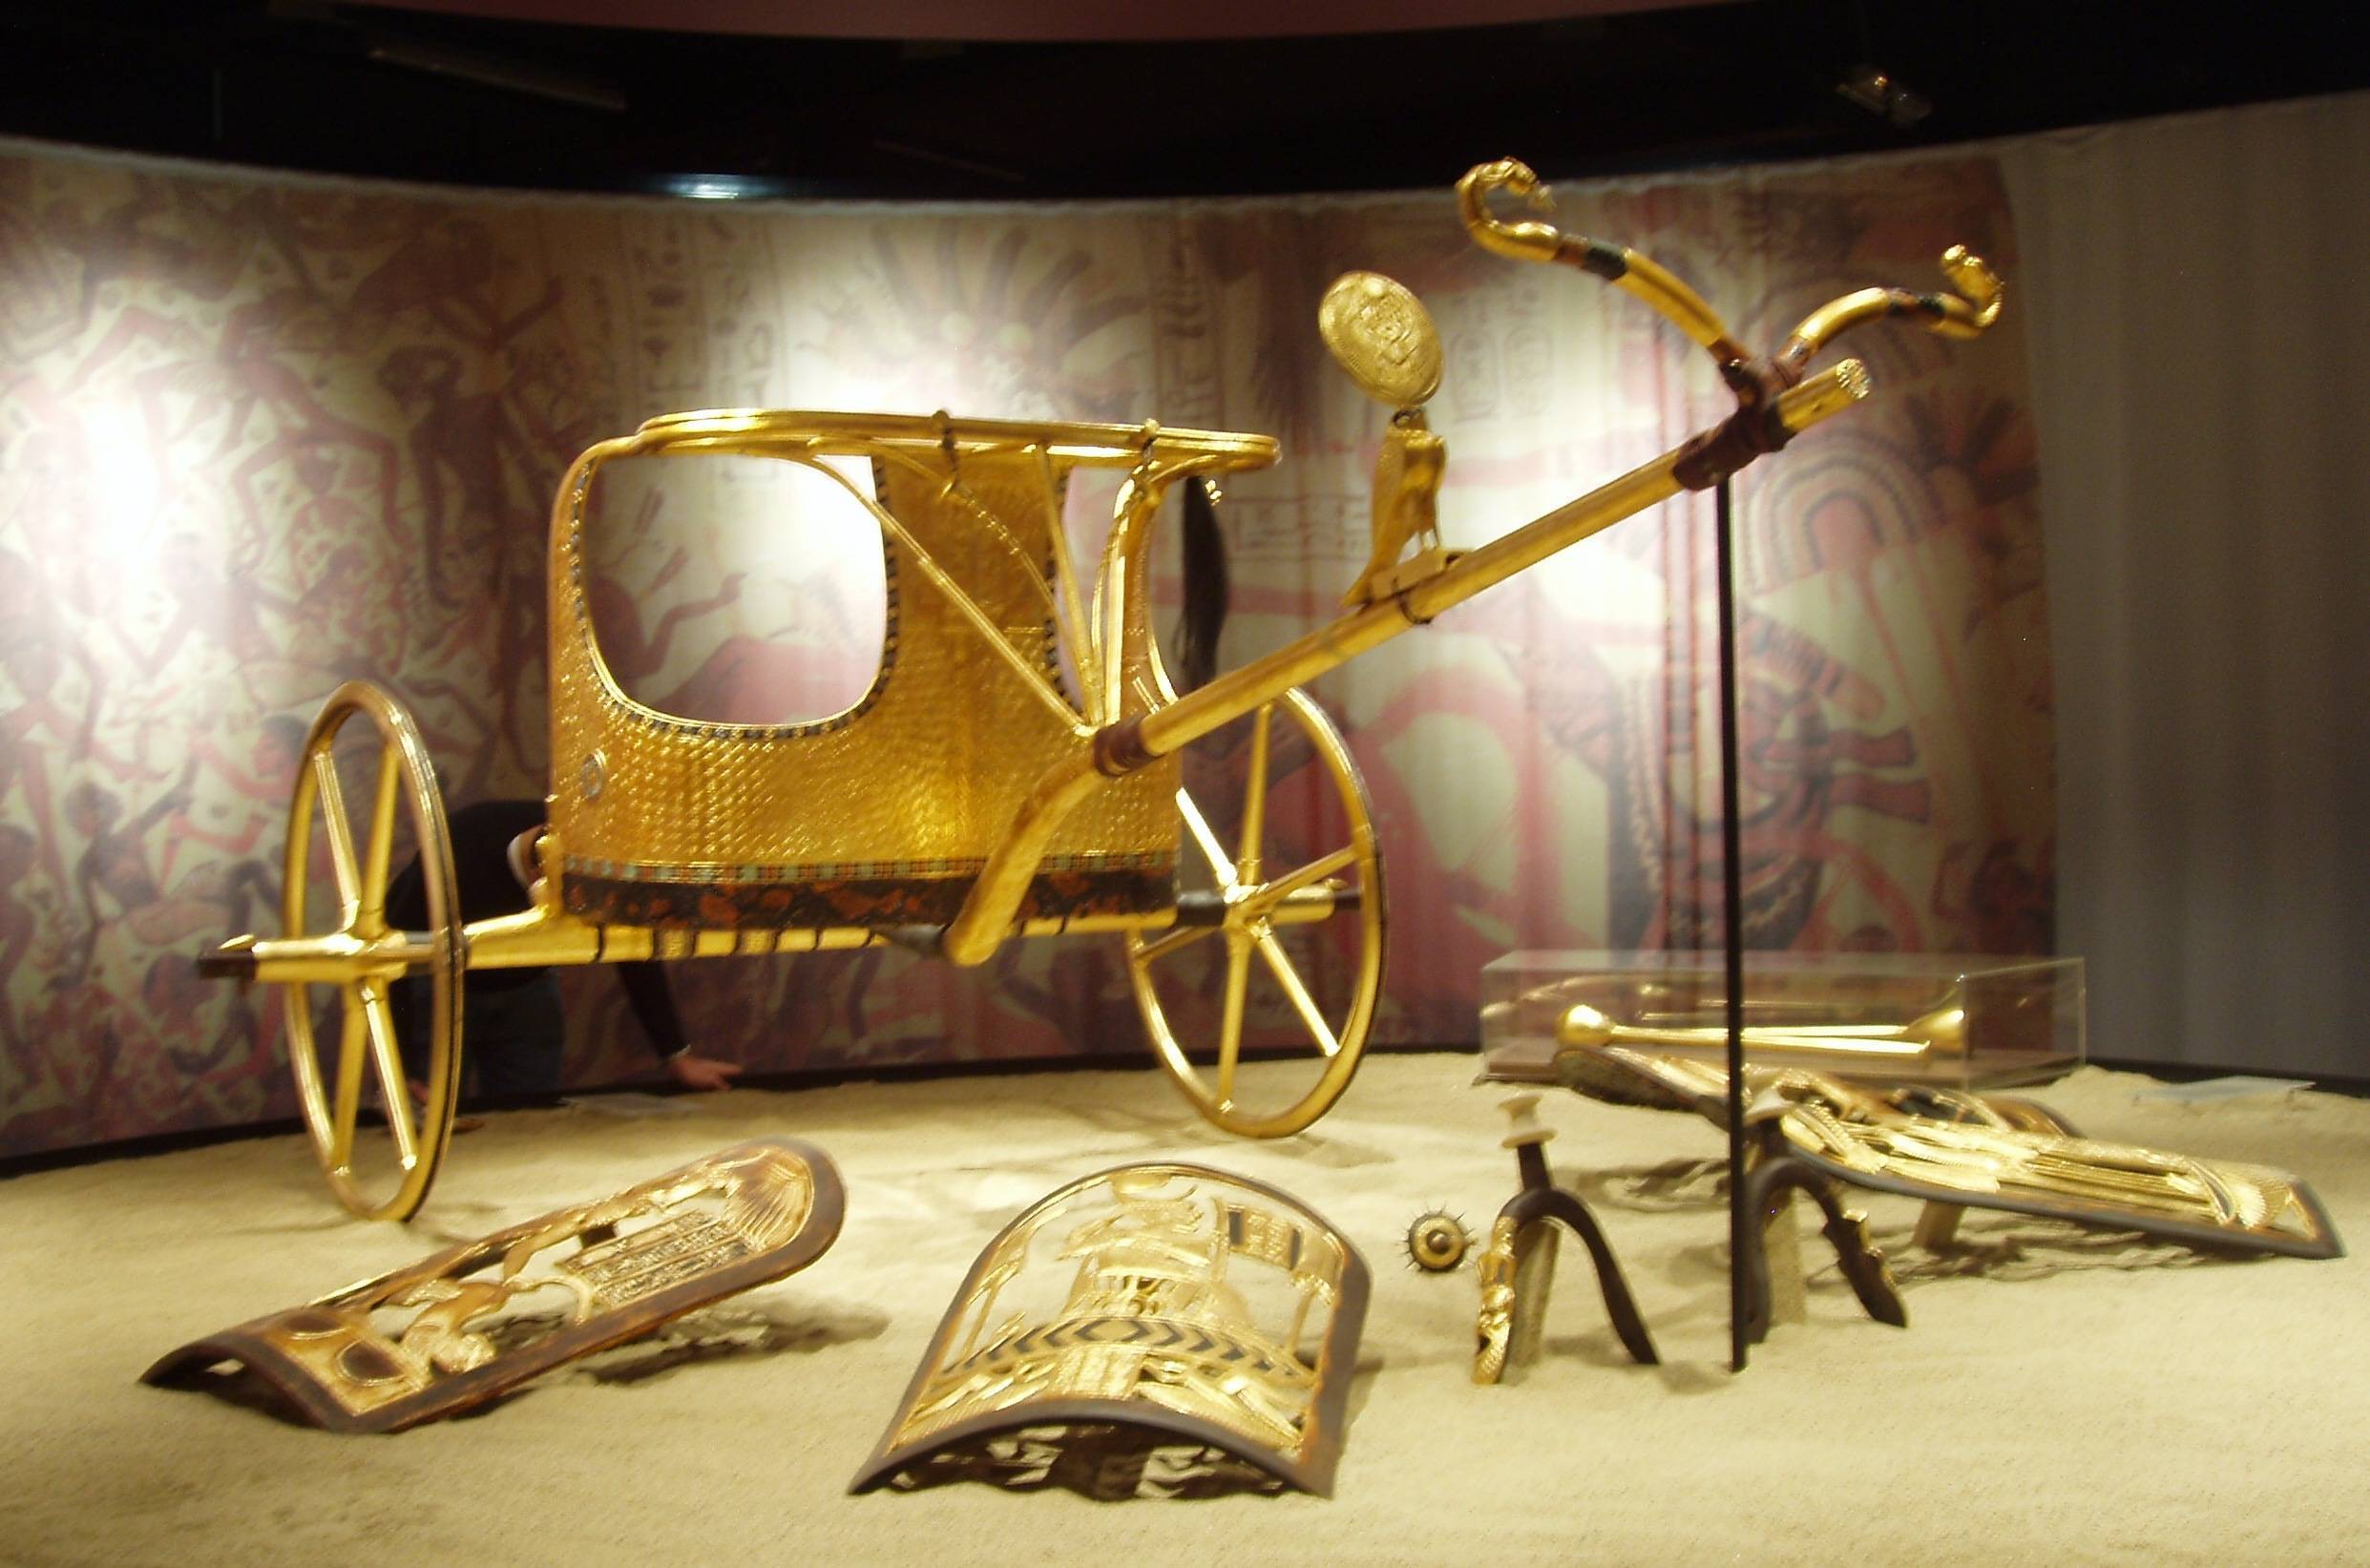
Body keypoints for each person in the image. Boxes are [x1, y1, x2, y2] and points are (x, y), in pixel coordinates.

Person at [387, 798, 742, 1102]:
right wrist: (400, 1074)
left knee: (529, 1118)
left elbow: (630, 948)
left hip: (528, 992)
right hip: (443, 991)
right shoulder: (458, 848)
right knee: (431, 1111)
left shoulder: (589, 845)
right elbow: (392, 953)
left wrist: (677, 1056)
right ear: (538, 873)